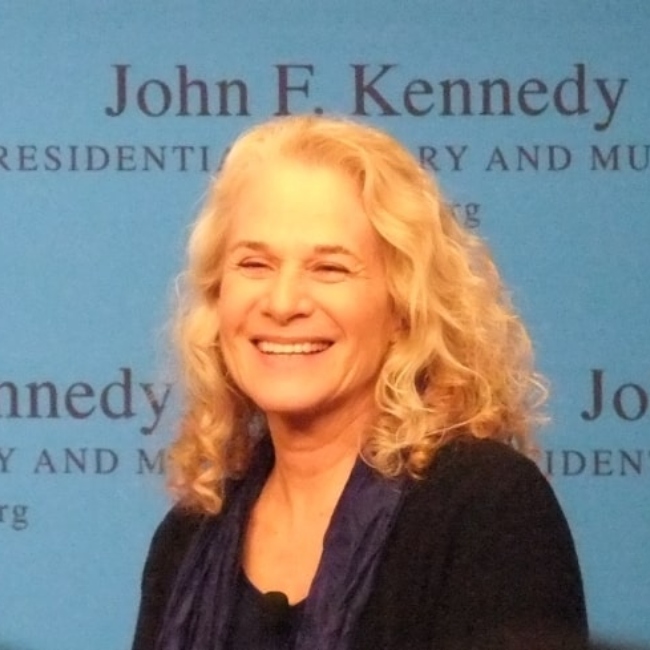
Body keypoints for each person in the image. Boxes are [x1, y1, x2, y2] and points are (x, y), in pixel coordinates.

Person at [131, 115, 588, 650]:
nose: (282, 304)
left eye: (330, 269)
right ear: (216, 297)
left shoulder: (484, 508)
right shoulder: (187, 539)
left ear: (403, 309)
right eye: (254, 264)